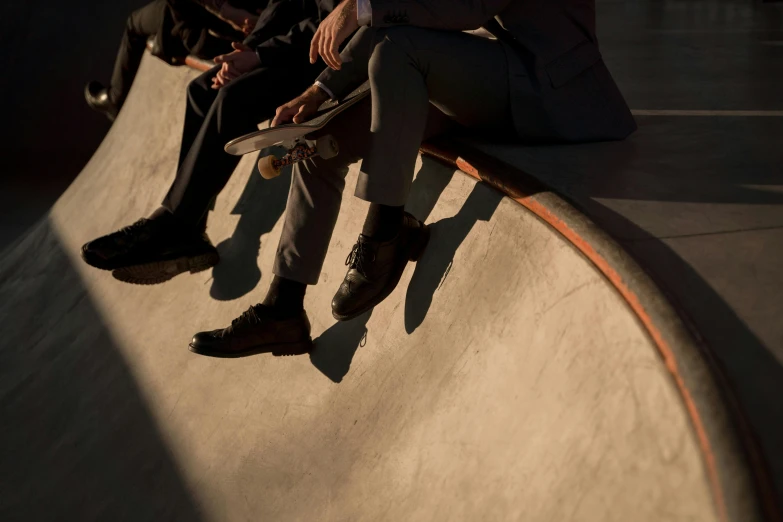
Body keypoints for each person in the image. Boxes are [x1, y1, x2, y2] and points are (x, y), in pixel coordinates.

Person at [83, 0, 637, 359]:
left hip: (551, 86)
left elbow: (461, 6)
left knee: (400, 51)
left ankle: (384, 231)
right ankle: (283, 306)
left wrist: (362, 6)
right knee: (318, 135)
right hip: (484, 75)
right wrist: (319, 91)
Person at [85, 0, 264, 121]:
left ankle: (115, 99)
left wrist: (230, 15)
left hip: (195, 25)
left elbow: (195, 37)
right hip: (212, 21)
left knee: (134, 24)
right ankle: (163, 41)